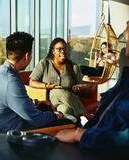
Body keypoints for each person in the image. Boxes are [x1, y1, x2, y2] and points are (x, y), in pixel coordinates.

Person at [55, 23, 129, 151]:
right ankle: (78, 117)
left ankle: (78, 117)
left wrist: (79, 134)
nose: (124, 33)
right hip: (63, 103)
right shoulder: (123, 83)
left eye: (127, 31)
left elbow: (123, 138)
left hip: (92, 143)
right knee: (65, 108)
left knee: (63, 97)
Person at [0, 32, 64, 133]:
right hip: (7, 134)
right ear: (27, 56)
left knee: (44, 108)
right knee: (67, 122)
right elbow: (36, 120)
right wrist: (56, 115)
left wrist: (37, 103)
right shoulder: (10, 80)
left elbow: (12, 102)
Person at [29, 37, 88, 118]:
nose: (63, 51)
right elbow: (32, 82)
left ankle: (75, 127)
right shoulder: (44, 63)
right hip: (49, 100)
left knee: (65, 110)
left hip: (67, 101)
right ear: (53, 51)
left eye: (64, 49)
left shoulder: (73, 67)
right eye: (59, 49)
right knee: (56, 90)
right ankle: (87, 116)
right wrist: (47, 86)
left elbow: (81, 86)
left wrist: (78, 87)